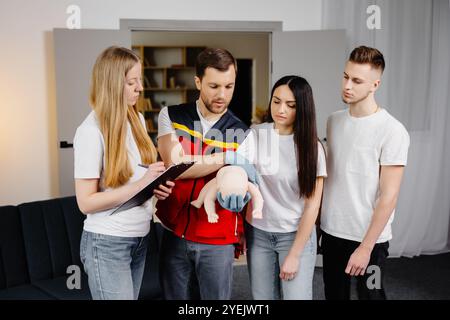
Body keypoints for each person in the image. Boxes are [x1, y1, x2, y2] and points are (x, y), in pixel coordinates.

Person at [73, 46, 174, 300]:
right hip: (108, 242)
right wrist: (142, 184)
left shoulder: (137, 119)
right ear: (112, 84)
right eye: (132, 82)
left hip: (139, 237)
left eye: (140, 79)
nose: (140, 88)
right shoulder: (90, 131)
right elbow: (86, 202)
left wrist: (155, 186)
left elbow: (137, 176)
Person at [156, 48, 256, 300]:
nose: (222, 95)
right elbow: (174, 166)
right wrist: (225, 157)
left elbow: (240, 185)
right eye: (213, 86)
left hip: (217, 237)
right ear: (198, 81)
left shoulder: (244, 133)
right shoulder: (171, 115)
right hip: (173, 231)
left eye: (229, 86)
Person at [320, 46, 410, 300]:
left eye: (357, 81)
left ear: (375, 85)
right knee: (334, 296)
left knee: (371, 297)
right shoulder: (334, 121)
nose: (347, 85)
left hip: (370, 239)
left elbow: (389, 196)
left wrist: (366, 247)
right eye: (345, 76)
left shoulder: (392, 130)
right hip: (332, 231)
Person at [244, 76, 326, 300]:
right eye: (276, 101)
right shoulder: (256, 134)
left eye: (291, 105)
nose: (281, 110)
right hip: (258, 233)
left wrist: (295, 254)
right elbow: (237, 173)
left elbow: (312, 206)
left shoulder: (312, 147)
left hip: (295, 235)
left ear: (303, 109)